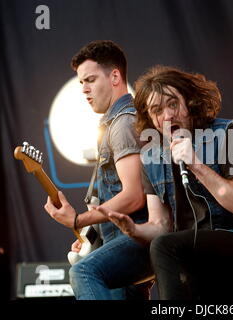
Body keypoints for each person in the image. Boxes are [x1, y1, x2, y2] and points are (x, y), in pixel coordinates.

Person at [97, 65, 233, 299]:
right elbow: (160, 225)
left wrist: (195, 164)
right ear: (150, 118)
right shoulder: (151, 155)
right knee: (161, 246)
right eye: (157, 110)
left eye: (173, 104)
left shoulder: (229, 133)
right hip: (195, 252)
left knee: (165, 247)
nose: (167, 115)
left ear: (190, 103)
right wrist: (134, 230)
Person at [44, 40, 153, 300]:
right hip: (116, 239)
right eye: (81, 82)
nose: (84, 89)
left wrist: (79, 220)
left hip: (134, 237)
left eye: (90, 80)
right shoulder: (112, 124)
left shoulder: (124, 123)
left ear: (115, 76)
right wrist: (92, 239)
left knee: (83, 272)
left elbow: (134, 196)